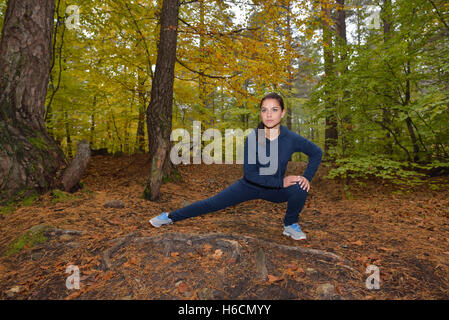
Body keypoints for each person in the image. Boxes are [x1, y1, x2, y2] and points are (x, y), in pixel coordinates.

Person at [149, 92, 323, 240]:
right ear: (261, 113)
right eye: (265, 110)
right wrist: (281, 182)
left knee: (300, 186)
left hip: (275, 190)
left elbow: (316, 152)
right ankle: (170, 217)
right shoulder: (254, 138)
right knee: (211, 203)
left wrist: (306, 176)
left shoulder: (291, 138)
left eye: (274, 109)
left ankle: (290, 224)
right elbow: (250, 174)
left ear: (282, 113)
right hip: (249, 186)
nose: (269, 114)